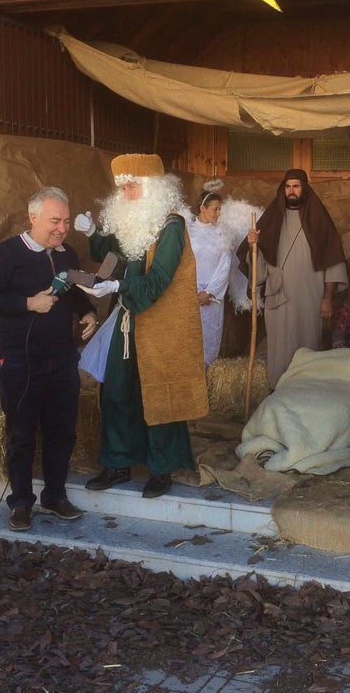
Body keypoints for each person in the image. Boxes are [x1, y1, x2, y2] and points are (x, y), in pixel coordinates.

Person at [74, 154, 207, 498]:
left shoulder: (171, 226)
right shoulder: (135, 220)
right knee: (117, 391)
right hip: (128, 320)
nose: (128, 191)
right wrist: (94, 233)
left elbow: (160, 279)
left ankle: (161, 469)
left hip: (159, 322)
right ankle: (118, 463)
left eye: (134, 184)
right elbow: (118, 251)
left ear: (154, 187)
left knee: (158, 393)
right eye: (123, 185)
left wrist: (118, 287)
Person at [0, 187, 96, 532]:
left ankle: (55, 496)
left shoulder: (68, 254)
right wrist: (28, 303)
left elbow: (72, 293)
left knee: (62, 431)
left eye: (66, 222)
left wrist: (87, 313)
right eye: (55, 221)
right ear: (33, 217)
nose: (62, 229)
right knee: (22, 433)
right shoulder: (7, 254)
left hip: (61, 359)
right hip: (19, 362)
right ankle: (21, 503)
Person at [237, 169, 347, 388]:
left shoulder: (319, 220)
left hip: (310, 297)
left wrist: (327, 297)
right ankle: (277, 390)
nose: (291, 191)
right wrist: (253, 246)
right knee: (279, 347)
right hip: (279, 297)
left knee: (308, 344)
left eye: (296, 186)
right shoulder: (271, 220)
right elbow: (259, 265)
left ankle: (305, 390)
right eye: (287, 186)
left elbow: (333, 260)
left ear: (304, 188)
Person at [188, 179, 233, 366]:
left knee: (209, 338)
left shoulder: (222, 234)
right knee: (189, 338)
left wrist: (210, 292)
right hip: (189, 293)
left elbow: (225, 266)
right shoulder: (187, 231)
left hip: (211, 297)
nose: (218, 213)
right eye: (215, 209)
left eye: (219, 209)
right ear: (202, 208)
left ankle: (206, 379)